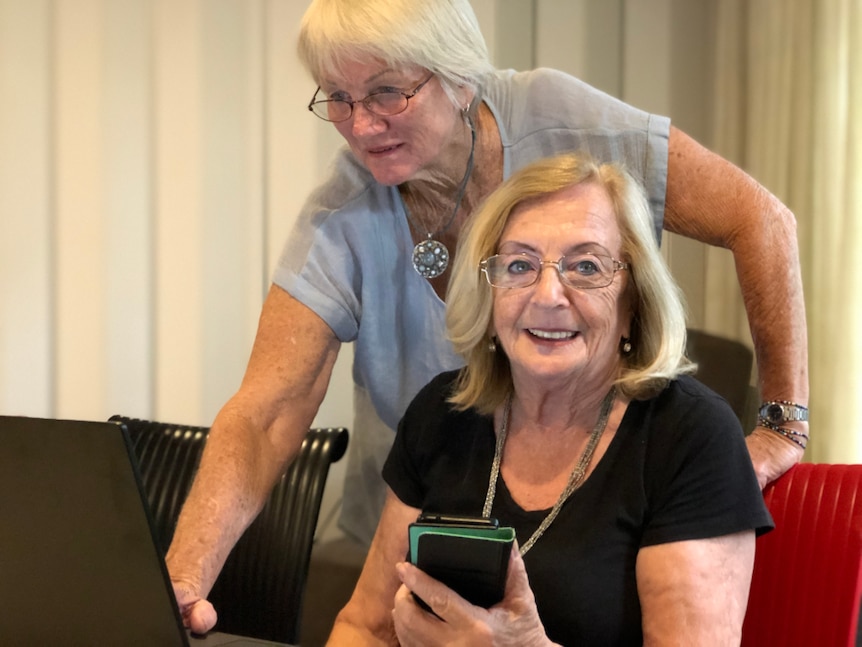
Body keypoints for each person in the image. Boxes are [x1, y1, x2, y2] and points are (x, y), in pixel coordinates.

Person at [167, 0, 806, 634]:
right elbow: (268, 411)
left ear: (460, 76)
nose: (361, 126)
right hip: (417, 530)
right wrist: (182, 582)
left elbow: (762, 220)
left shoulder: (562, 121)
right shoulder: (344, 218)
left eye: (388, 93)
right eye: (338, 96)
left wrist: (783, 424)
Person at [327, 152, 773, 646]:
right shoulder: (443, 413)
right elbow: (363, 627)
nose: (547, 295)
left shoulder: (689, 435)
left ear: (633, 301)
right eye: (519, 265)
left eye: (585, 266)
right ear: (489, 292)